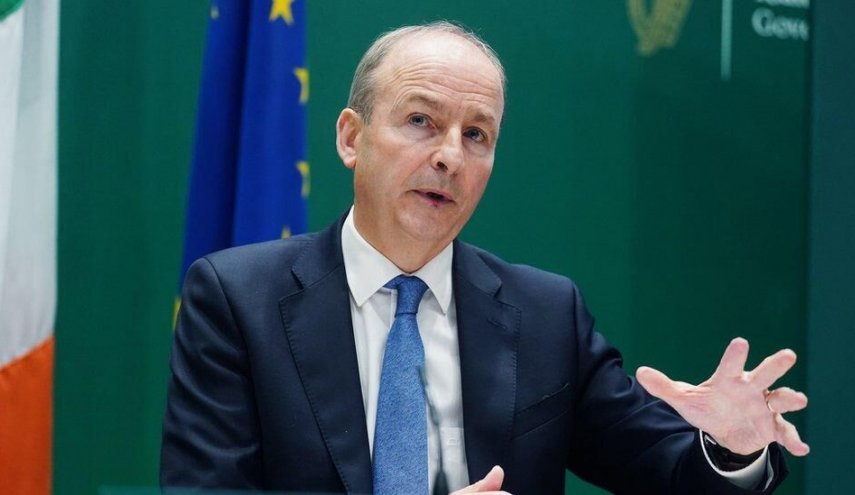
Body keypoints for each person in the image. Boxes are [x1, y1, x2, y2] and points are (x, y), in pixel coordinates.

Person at [160, 21, 809, 494]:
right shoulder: (237, 299)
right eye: (421, 120)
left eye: (476, 134)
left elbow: (666, 472)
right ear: (352, 138)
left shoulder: (545, 315)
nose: (450, 156)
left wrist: (732, 450)